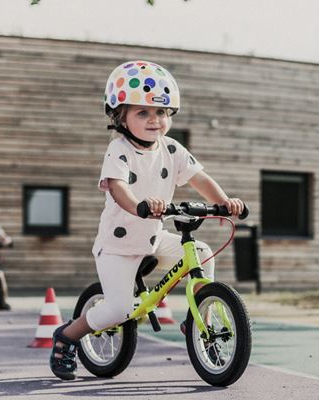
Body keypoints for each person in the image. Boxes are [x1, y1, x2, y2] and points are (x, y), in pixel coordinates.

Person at [48, 60, 245, 380]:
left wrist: (224, 202)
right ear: (119, 117)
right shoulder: (119, 149)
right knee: (119, 310)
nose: (155, 120)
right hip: (117, 245)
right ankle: (67, 337)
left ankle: (199, 317)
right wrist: (140, 205)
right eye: (143, 113)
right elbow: (118, 187)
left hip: (153, 238)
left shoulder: (172, 149)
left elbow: (199, 178)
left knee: (203, 251)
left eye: (162, 113)